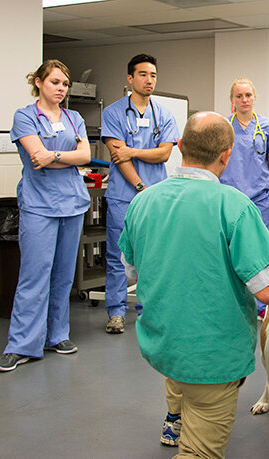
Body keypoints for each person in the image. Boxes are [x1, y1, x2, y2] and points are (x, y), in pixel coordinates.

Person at [118, 112, 269, 457]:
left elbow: (130, 273)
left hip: (164, 346)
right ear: (227, 155)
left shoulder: (143, 202)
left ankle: (174, 415)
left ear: (180, 146)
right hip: (211, 358)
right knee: (198, 452)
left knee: (180, 385)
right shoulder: (235, 207)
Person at [0, 60, 91, 372]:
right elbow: (38, 158)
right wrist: (63, 158)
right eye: (54, 83)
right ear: (38, 82)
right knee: (34, 275)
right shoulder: (25, 117)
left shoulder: (74, 117)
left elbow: (86, 156)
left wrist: (56, 155)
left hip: (73, 203)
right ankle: (21, 345)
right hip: (39, 204)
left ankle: (57, 335)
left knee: (63, 275)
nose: (61, 89)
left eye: (65, 84)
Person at [100, 53, 178, 334]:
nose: (149, 80)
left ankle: (149, 309)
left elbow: (165, 153)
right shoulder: (113, 113)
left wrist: (133, 151)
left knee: (154, 255)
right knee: (117, 254)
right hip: (125, 195)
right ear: (130, 79)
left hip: (155, 197)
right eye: (143, 74)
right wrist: (140, 187)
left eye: (153, 75)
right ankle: (117, 311)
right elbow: (119, 158)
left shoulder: (164, 115)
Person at [220, 78, 269, 316]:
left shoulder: (266, 126)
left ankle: (261, 306)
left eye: (248, 95)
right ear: (232, 100)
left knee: (260, 253)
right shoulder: (224, 126)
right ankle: (232, 301)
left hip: (259, 199)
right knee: (228, 251)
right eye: (239, 96)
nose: (244, 100)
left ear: (254, 97)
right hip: (229, 197)